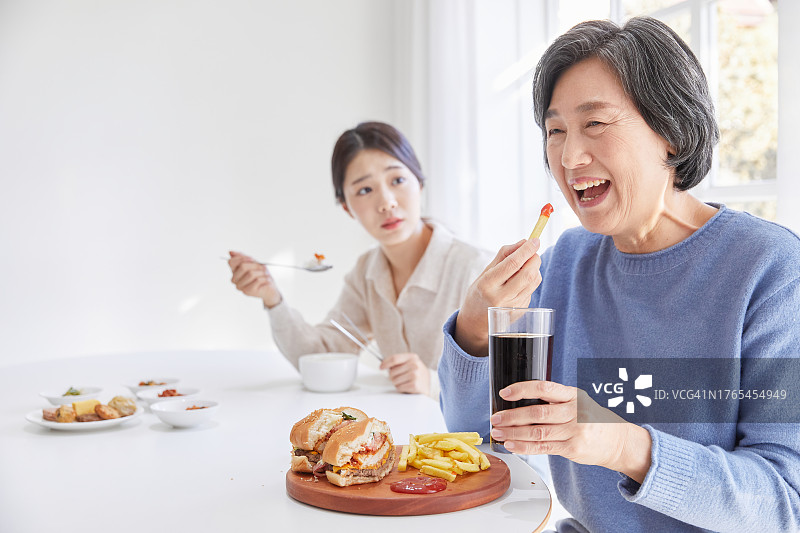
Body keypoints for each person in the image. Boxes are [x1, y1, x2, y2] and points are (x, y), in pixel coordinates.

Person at [438, 17, 800, 532]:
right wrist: (476, 330)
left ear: (671, 132)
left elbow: (785, 503)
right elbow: (480, 437)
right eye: (555, 131)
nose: (569, 156)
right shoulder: (564, 261)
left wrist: (623, 444)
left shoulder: (772, 270)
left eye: (595, 124)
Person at [228, 121, 490, 398]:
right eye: (365, 190)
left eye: (397, 180)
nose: (386, 202)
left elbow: (510, 382)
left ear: (420, 183)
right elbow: (320, 356)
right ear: (347, 207)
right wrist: (272, 298)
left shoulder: (476, 268)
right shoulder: (367, 273)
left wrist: (434, 383)